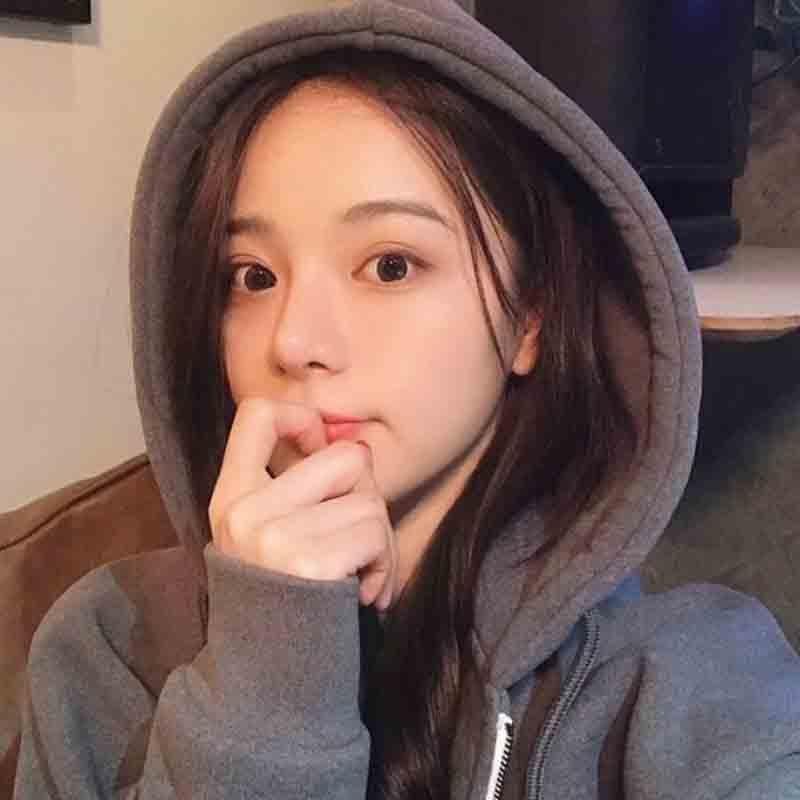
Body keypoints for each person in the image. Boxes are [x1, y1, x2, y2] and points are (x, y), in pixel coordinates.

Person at [13, 0, 800, 797]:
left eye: (390, 266)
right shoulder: (105, 653)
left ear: (529, 319)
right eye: (253, 276)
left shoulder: (692, 685)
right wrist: (264, 688)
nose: (294, 341)